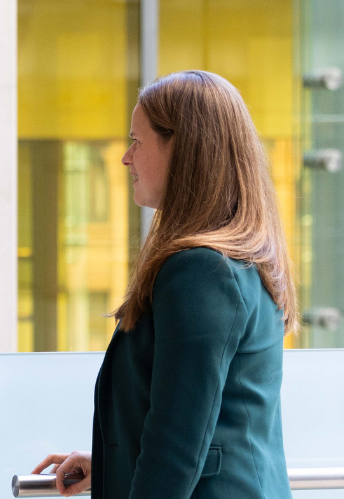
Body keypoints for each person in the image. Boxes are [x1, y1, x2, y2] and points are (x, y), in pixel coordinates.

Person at [32, 70, 297, 499]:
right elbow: (213, 424)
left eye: (137, 141)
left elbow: (178, 447)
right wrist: (113, 464)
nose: (125, 158)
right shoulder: (235, 260)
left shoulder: (201, 271)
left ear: (184, 148)